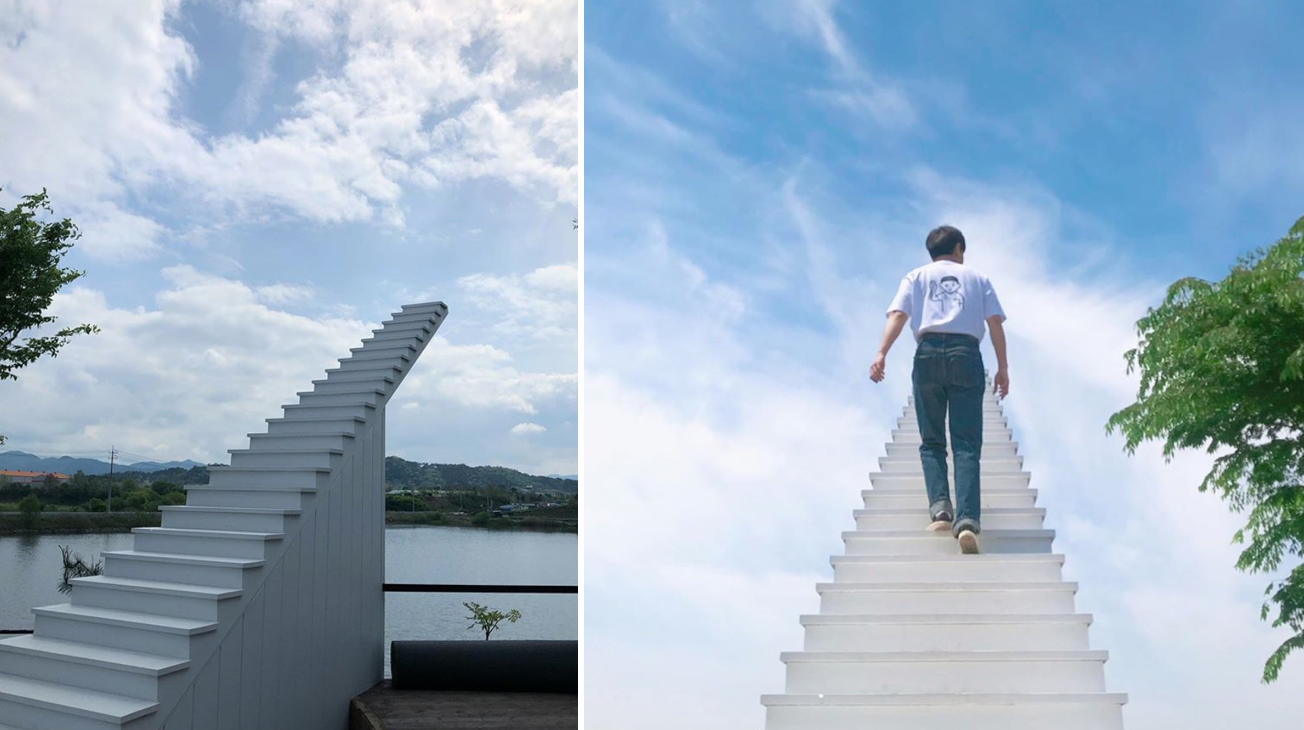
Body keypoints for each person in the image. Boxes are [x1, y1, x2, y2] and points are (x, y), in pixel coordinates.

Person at [868, 225, 1009, 554]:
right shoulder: (978, 278)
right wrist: (1003, 367)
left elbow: (898, 314)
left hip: (928, 353)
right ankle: (968, 522)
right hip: (966, 355)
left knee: (931, 440)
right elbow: (995, 323)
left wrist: (881, 353)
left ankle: (941, 508)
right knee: (966, 443)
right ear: (958, 248)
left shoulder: (915, 276)